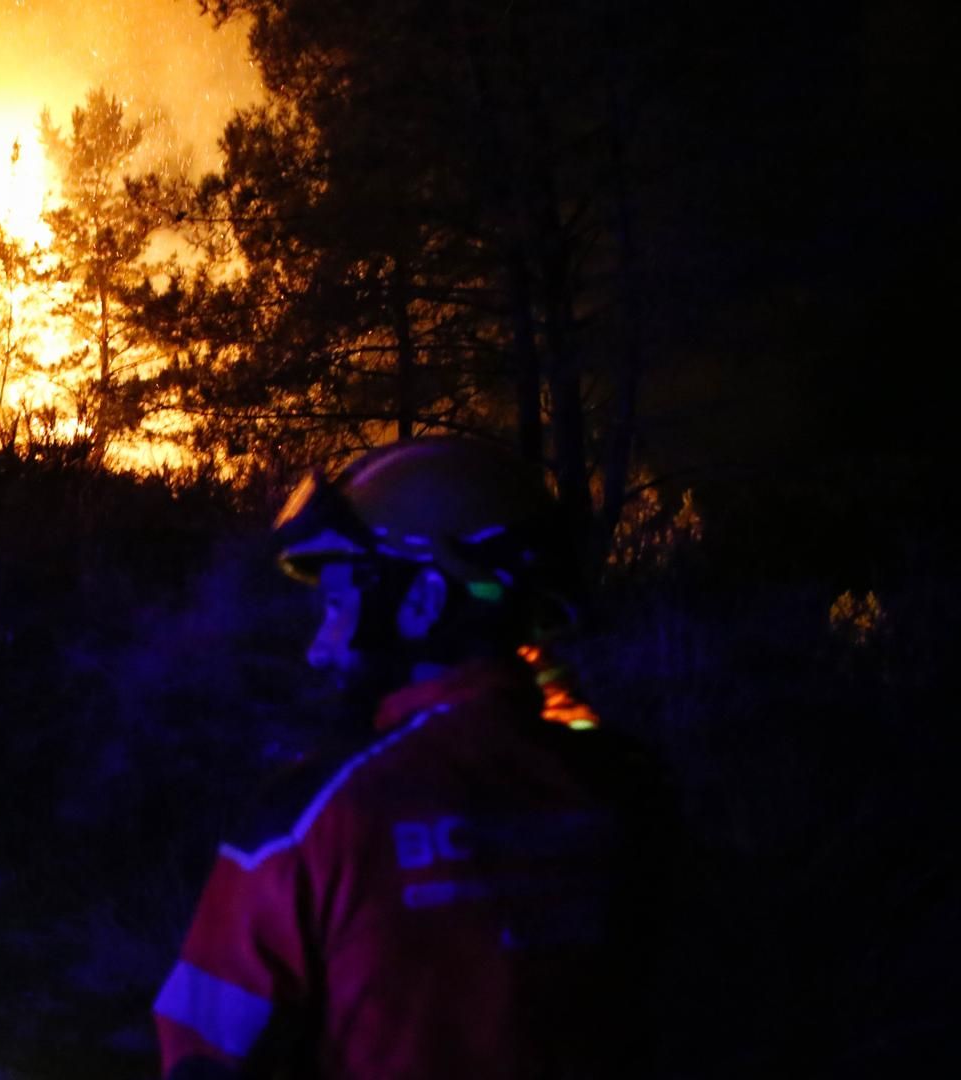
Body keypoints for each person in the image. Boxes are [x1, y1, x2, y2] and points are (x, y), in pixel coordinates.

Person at [153, 437, 665, 1079]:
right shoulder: (635, 791)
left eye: (337, 606)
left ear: (421, 602)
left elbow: (204, 1049)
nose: (320, 648)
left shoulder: (313, 818)